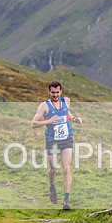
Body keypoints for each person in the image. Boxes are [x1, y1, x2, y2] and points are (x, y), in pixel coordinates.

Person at [31, 81, 83, 210]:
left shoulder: (66, 101)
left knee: (66, 169)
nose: (55, 94)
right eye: (53, 92)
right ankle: (52, 185)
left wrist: (74, 119)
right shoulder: (44, 106)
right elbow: (33, 123)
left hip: (66, 139)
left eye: (57, 92)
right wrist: (49, 121)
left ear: (61, 91)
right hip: (52, 141)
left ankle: (66, 201)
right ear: (49, 92)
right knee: (54, 169)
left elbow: (66, 114)